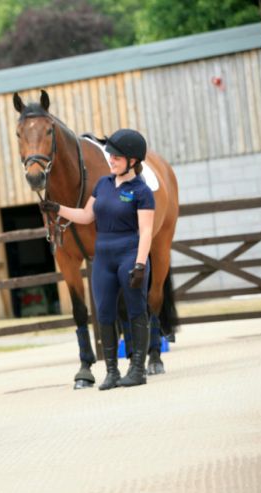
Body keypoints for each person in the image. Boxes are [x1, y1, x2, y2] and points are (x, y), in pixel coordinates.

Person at [40, 128, 154, 390]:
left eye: (116, 156)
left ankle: (137, 368)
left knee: (136, 310)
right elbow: (86, 216)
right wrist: (58, 209)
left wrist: (140, 263)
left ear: (132, 161)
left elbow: (146, 230)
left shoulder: (141, 191)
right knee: (103, 312)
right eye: (110, 155)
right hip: (104, 256)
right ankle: (112, 372)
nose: (110, 159)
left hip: (128, 254)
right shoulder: (103, 184)